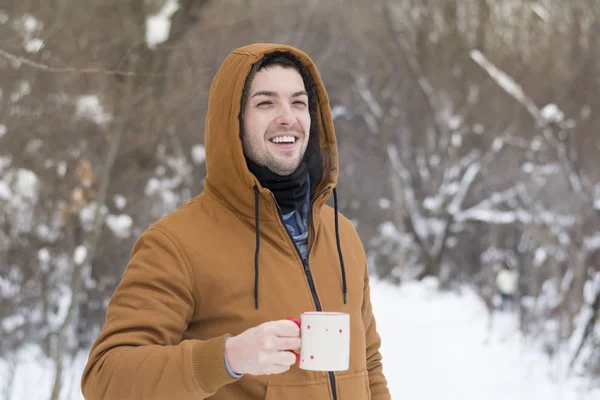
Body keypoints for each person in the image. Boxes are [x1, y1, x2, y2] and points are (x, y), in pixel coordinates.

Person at [81, 43, 391, 400]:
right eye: (265, 103)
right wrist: (228, 358)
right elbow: (105, 378)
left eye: (298, 102)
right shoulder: (176, 242)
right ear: (233, 122)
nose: (287, 116)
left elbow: (367, 364)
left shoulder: (343, 236)